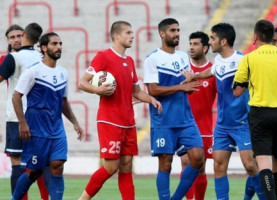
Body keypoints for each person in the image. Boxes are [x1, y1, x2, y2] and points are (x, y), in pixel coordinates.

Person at [77, 21, 162, 200]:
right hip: (109, 120)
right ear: (116, 35)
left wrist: (151, 99)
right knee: (111, 166)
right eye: (128, 33)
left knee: (126, 166)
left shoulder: (130, 61)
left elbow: (136, 91)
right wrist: (97, 90)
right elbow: (82, 82)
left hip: (128, 121)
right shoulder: (104, 57)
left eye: (132, 33)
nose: (132, 36)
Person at [181, 23, 265, 200]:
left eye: (212, 38)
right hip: (222, 125)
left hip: (242, 123)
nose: (210, 42)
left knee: (250, 165)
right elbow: (210, 72)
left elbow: (258, 82)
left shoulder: (243, 61)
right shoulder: (218, 60)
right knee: (218, 166)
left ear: (224, 41)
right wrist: (194, 76)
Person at [233, 19, 277, 200]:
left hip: (260, 114)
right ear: (272, 37)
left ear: (256, 37)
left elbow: (237, 91)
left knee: (264, 164)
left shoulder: (249, 58)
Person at [11, 32, 84, 200]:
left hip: (56, 129)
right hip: (36, 129)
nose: (58, 47)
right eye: (54, 44)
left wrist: (75, 122)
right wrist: (22, 123)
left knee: (58, 165)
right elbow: (16, 96)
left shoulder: (63, 73)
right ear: (44, 48)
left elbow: (63, 101)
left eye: (60, 44)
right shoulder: (33, 71)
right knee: (34, 171)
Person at [143, 18, 205, 200]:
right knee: (166, 164)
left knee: (197, 157)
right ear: (162, 34)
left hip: (185, 119)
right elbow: (153, 90)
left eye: (178, 30)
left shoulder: (183, 57)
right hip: (163, 120)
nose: (177, 34)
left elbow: (187, 87)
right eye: (172, 30)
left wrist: (191, 83)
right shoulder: (152, 58)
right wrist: (181, 87)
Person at [0, 23, 49, 200]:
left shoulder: (18, 58)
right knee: (27, 164)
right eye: (12, 37)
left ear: (25, 36)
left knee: (39, 164)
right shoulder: (8, 59)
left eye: (19, 36)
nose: (16, 39)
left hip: (23, 115)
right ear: (8, 40)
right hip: (18, 114)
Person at [179, 31, 217, 200]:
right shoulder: (183, 69)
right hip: (184, 124)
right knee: (186, 163)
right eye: (190, 44)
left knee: (200, 166)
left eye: (195, 44)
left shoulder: (213, 71)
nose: (191, 47)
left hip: (204, 126)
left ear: (205, 47)